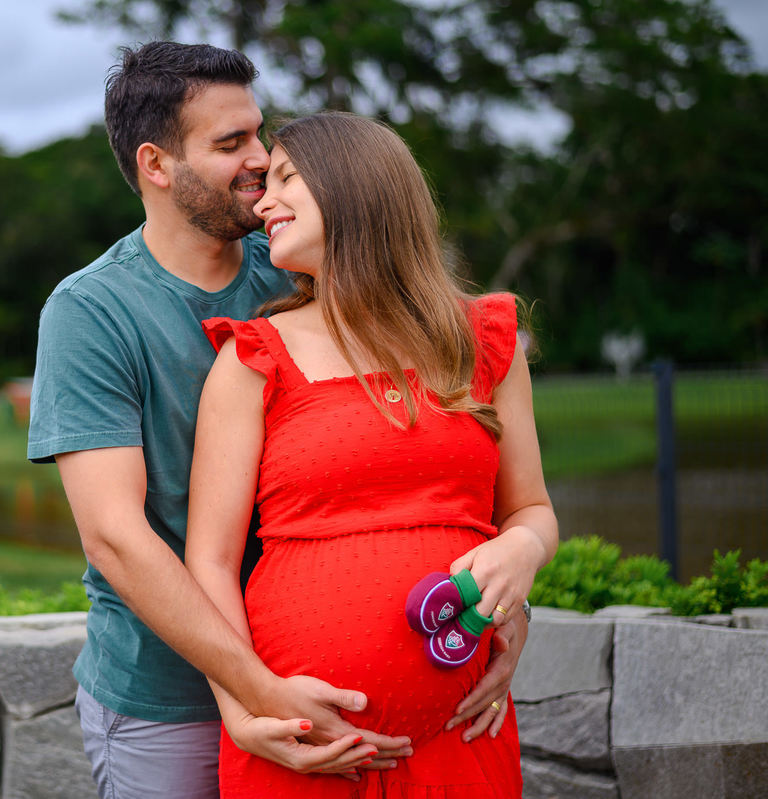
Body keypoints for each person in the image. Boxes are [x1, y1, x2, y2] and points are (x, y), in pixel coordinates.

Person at [27, 42, 529, 799]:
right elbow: (116, 538)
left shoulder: (297, 259)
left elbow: (433, 457)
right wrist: (251, 691)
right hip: (170, 698)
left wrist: (502, 597)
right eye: (231, 144)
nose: (261, 160)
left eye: (259, 134)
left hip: (360, 689)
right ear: (157, 165)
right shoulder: (91, 312)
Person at [186, 111, 559, 797]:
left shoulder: (481, 341)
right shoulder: (252, 359)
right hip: (302, 751)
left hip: (459, 742)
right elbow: (208, 559)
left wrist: (523, 553)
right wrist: (243, 709)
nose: (263, 201)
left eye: (287, 178)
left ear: (356, 186)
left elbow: (531, 508)